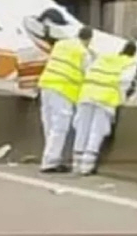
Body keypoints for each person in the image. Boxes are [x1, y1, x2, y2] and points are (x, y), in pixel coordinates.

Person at [72, 40, 137, 176]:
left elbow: (88, 70)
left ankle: (76, 162)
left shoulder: (104, 58)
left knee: (82, 128)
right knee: (97, 131)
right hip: (105, 98)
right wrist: (122, 100)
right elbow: (124, 82)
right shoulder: (130, 63)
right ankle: (86, 166)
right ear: (133, 54)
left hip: (87, 93)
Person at [37, 25, 95, 173]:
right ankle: (50, 162)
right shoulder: (83, 53)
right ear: (88, 39)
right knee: (60, 127)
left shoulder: (61, 44)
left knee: (49, 125)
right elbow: (88, 75)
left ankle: (50, 157)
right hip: (63, 91)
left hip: (46, 85)